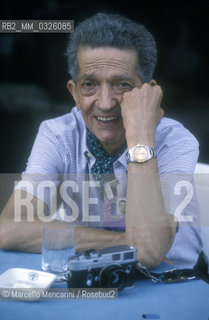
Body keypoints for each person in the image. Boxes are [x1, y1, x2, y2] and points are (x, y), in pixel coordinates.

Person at [0, 13, 202, 269]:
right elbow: (9, 229)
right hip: (97, 274)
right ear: (74, 92)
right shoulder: (57, 134)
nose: (105, 103)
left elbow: (150, 254)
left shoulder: (175, 140)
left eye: (122, 85)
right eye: (90, 84)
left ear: (148, 93)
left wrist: (140, 137)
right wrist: (126, 241)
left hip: (173, 280)